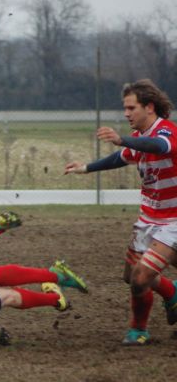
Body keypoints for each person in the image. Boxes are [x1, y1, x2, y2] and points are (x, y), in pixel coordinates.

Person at [65, 79, 177, 345]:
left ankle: (138, 330)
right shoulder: (139, 139)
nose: (126, 114)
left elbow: (159, 147)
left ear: (149, 107)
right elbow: (123, 157)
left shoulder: (167, 132)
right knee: (131, 277)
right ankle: (172, 292)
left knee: (141, 277)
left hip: (172, 220)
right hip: (148, 218)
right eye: (125, 108)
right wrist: (86, 168)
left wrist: (120, 139)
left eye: (131, 108)